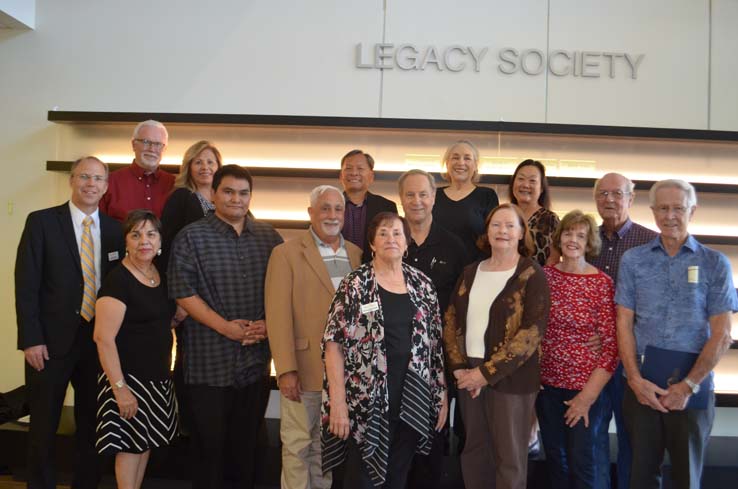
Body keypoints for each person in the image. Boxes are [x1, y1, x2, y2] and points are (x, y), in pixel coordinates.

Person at [616, 179, 738, 489]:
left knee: (687, 478)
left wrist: (687, 386)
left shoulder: (715, 263)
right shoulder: (634, 260)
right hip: (642, 388)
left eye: (678, 209)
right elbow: (623, 323)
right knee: (640, 477)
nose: (670, 216)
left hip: (692, 392)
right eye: (664, 208)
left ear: (692, 211)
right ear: (653, 211)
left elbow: (722, 333)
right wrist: (633, 379)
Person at [168, 164, 283, 489]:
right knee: (208, 451)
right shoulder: (192, 236)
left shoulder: (268, 236)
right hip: (208, 363)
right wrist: (226, 328)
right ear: (214, 194)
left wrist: (267, 324)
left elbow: (282, 288)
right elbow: (183, 293)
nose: (236, 199)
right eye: (229, 191)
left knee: (247, 450)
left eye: (243, 193)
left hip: (254, 363)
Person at [15, 156, 125, 489]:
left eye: (98, 179)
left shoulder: (116, 230)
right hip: (48, 343)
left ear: (106, 186)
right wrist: (31, 339)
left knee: (92, 424)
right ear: (71, 180)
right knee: (44, 425)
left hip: (96, 343)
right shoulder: (42, 222)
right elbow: (26, 283)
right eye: (84, 177)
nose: (91, 184)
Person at [322, 212, 448, 489]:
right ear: (372, 244)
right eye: (383, 233)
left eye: (397, 233)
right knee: (362, 479)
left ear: (406, 244)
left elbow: (436, 346)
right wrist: (338, 402)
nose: (391, 238)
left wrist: (440, 395)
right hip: (365, 401)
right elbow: (333, 344)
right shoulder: (355, 284)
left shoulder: (423, 285)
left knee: (398, 477)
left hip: (412, 398)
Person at [444, 203, 549, 489]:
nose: (502, 231)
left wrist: (486, 374)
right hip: (469, 374)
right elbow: (451, 322)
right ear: (487, 231)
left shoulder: (531, 274)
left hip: (512, 376)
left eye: (509, 225)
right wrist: (459, 370)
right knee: (475, 451)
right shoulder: (470, 272)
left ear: (520, 233)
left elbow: (531, 333)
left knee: (509, 458)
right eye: (496, 225)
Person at [265, 185, 362, 489]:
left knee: (327, 449)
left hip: (345, 374)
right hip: (303, 368)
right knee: (297, 446)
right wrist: (285, 370)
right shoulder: (286, 253)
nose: (332, 215)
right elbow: (277, 316)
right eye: (325, 208)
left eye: (338, 209)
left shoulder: (357, 254)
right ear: (310, 213)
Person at [93, 210, 178, 489]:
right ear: (126, 242)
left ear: (160, 240)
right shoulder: (118, 280)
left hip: (157, 380)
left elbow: (166, 319)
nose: (144, 240)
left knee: (144, 447)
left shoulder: (159, 274)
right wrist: (120, 389)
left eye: (151, 234)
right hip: (128, 382)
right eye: (136, 234)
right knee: (130, 449)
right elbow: (103, 339)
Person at [537, 210, 619, 489]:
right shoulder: (543, 277)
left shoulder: (601, 283)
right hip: (547, 387)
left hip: (586, 389)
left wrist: (586, 397)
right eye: (568, 233)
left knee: (585, 464)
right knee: (556, 462)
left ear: (589, 242)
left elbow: (610, 348)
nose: (573, 240)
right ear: (559, 238)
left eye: (580, 235)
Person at [397, 169, 467, 489]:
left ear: (434, 197)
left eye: (423, 194)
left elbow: (461, 309)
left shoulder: (454, 247)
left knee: (433, 439)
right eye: (410, 195)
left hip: (438, 362)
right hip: (394, 361)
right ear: (401, 199)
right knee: (398, 441)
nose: (417, 201)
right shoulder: (390, 242)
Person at [589, 173, 657, 489]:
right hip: (592, 356)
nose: (609, 199)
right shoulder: (587, 239)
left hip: (634, 358)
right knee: (592, 436)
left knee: (633, 437)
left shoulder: (650, 241)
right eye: (603, 193)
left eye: (617, 193)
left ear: (632, 197)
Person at [160, 140, 223, 270]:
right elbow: (167, 240)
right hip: (191, 270)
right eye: (198, 162)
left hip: (223, 269)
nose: (205, 167)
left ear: (218, 167)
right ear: (189, 168)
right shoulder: (181, 197)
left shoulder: (228, 196)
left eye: (210, 162)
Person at [432, 140, 499, 261]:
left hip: (474, 271)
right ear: (447, 163)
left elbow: (492, 237)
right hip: (436, 272)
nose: (461, 163)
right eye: (455, 158)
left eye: (467, 158)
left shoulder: (487, 196)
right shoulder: (433, 195)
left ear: (475, 165)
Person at [100, 120, 175, 222]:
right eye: (146, 142)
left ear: (164, 149)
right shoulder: (110, 182)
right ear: (133, 145)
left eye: (158, 144)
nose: (152, 149)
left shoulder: (175, 185)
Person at [339, 149, 398, 262]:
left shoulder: (387, 208)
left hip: (375, 273)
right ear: (341, 176)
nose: (354, 173)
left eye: (360, 168)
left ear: (371, 176)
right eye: (348, 168)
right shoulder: (328, 207)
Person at [509, 159, 560, 266]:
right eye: (521, 179)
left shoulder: (550, 219)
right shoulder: (504, 215)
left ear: (541, 188)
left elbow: (553, 261)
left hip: (537, 280)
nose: (525, 185)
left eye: (532, 181)